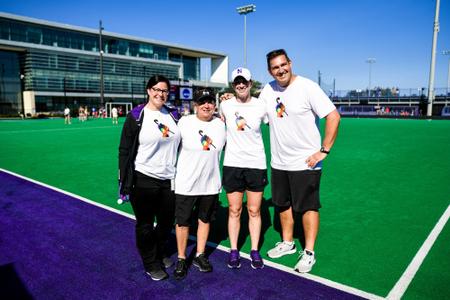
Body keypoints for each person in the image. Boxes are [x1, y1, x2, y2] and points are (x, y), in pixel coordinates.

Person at [259, 49, 340, 273]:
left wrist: (324, 150)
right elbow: (256, 114)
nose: (280, 70)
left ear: (290, 63)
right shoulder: (267, 89)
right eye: (275, 67)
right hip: (279, 162)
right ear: (270, 70)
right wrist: (231, 99)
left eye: (283, 65)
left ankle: (309, 252)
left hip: (306, 163)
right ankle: (288, 243)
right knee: (282, 204)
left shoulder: (307, 87)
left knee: (308, 207)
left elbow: (333, 116)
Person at [118, 75, 181, 281]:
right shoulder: (136, 116)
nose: (160, 94)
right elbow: (125, 149)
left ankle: (159, 249)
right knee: (145, 225)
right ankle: (150, 262)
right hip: (143, 179)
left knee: (165, 223)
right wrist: (124, 179)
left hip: (169, 179)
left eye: (164, 90)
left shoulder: (174, 115)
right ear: (148, 90)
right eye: (156, 89)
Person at [173, 89, 226, 280]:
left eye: (210, 101)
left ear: (215, 105)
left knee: (205, 220)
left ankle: (199, 255)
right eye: (202, 102)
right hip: (186, 183)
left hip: (211, 184)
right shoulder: (184, 123)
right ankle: (181, 258)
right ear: (196, 104)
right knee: (183, 221)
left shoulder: (220, 124)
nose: (206, 105)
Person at [220, 67, 267, 269]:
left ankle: (254, 250)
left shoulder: (261, 106)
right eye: (237, 82)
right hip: (232, 163)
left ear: (250, 83)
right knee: (234, 209)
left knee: (254, 210)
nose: (240, 85)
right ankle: (234, 250)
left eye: (244, 81)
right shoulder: (225, 105)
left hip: (256, 164)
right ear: (233, 85)